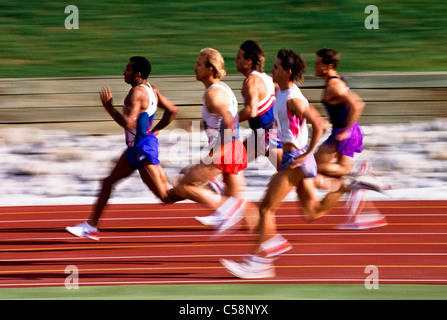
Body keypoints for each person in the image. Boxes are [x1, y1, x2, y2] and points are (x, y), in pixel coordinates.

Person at [221, 49, 384, 279]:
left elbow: (316, 123)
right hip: (295, 157)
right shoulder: (282, 91)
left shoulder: (292, 98)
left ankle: (258, 262)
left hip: (295, 159)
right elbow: (312, 116)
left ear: (287, 72)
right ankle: (346, 183)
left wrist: (305, 151)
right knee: (311, 212)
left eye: (276, 67)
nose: (272, 69)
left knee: (266, 208)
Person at [66, 56, 178, 240]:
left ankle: (202, 191)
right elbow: (172, 110)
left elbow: (128, 123)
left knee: (165, 196)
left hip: (142, 149)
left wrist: (109, 107)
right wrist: (155, 129)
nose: (124, 72)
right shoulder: (152, 90)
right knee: (107, 182)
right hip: (136, 148)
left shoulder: (136, 94)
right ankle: (91, 226)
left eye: (127, 69)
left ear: (137, 74)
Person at [166, 48, 248, 235]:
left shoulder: (212, 94)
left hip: (226, 150)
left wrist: (217, 152)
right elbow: (222, 121)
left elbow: (227, 121)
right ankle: (229, 210)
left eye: (199, 64)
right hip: (234, 148)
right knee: (236, 198)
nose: (195, 68)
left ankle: (226, 209)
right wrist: (193, 126)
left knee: (182, 183)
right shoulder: (222, 89)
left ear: (210, 69)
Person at [314, 48, 388, 228]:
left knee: (313, 167)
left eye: (318, 63)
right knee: (337, 177)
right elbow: (343, 108)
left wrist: (345, 129)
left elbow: (357, 105)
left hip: (344, 134)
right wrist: (330, 120)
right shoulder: (335, 82)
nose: (314, 67)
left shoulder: (334, 85)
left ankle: (359, 176)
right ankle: (364, 214)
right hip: (347, 132)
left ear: (329, 66)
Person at [235, 40, 282, 169]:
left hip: (267, 137)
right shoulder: (267, 78)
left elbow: (251, 111)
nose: (235, 60)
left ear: (248, 61)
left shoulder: (252, 81)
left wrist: (229, 120)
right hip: (260, 136)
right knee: (230, 162)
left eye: (239, 57)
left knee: (289, 174)